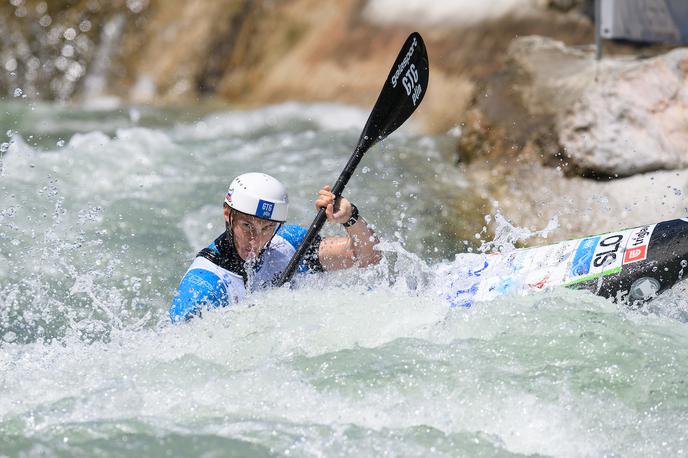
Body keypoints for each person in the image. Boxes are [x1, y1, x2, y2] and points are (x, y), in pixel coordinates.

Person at [169, 172, 381, 322]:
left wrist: (350, 217)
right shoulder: (204, 285)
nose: (255, 240)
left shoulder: (288, 243)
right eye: (246, 225)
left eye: (267, 228)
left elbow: (366, 257)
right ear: (227, 214)